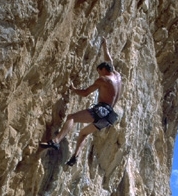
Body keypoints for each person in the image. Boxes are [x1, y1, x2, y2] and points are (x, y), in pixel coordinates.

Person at [40, 38, 122, 166]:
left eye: (99, 72)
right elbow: (109, 60)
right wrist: (105, 45)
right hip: (109, 117)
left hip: (101, 110)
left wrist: (73, 89)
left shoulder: (104, 80)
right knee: (83, 133)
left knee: (72, 117)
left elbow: (85, 93)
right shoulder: (117, 75)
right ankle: (75, 157)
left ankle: (56, 141)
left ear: (104, 70)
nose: (99, 75)